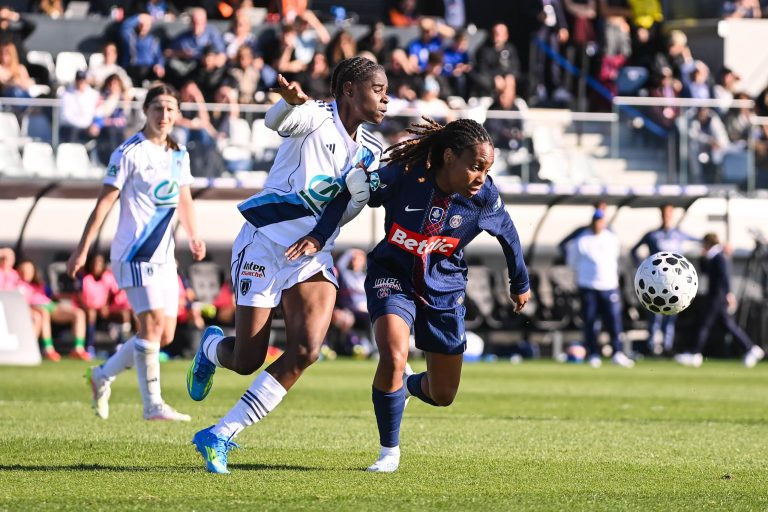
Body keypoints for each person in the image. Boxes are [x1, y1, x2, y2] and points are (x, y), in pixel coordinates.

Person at [287, 117, 531, 473]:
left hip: (445, 288)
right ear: (449, 156)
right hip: (393, 276)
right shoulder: (404, 175)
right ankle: (389, 452)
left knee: (443, 394)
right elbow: (347, 193)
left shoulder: (484, 196)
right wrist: (320, 235)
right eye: (476, 166)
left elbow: (507, 233)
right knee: (394, 354)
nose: (482, 176)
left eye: (487, 168)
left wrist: (519, 282)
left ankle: (405, 386)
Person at [187, 56, 389, 474]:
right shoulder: (314, 116)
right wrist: (289, 103)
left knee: (306, 350)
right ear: (349, 89)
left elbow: (346, 206)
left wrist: (347, 207)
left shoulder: (373, 148)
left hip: (311, 254)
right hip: (263, 244)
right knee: (246, 360)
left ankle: (220, 434)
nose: (386, 98)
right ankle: (209, 347)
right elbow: (276, 122)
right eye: (379, 89)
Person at [66, 82, 206, 422]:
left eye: (171, 108)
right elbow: (103, 205)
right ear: (145, 111)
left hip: (164, 255)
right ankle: (153, 404)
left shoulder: (178, 154)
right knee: (152, 327)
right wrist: (82, 250)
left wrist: (194, 235)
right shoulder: (128, 152)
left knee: (165, 334)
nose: (165, 114)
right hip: (134, 252)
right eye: (158, 107)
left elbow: (183, 198)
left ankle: (102, 375)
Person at [675, 233, 765, 368]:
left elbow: (724, 278)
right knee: (727, 325)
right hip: (716, 297)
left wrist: (728, 294)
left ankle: (694, 353)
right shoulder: (714, 256)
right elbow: (705, 270)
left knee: (704, 324)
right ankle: (750, 348)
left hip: (717, 297)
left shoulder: (719, 257)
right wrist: (702, 257)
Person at [564, 209, 635, 368]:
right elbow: (572, 263)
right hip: (588, 286)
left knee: (614, 321)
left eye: (601, 220)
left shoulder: (611, 239)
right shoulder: (581, 240)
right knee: (590, 321)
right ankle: (593, 354)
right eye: (596, 220)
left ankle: (617, 352)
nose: (598, 224)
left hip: (609, 286)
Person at [630, 204, 699, 355]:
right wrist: (642, 268)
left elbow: (700, 241)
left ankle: (667, 347)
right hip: (655, 283)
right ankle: (652, 347)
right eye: (664, 214)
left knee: (671, 317)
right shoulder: (652, 235)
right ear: (661, 215)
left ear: (672, 215)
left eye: (669, 214)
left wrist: (717, 244)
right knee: (654, 317)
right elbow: (633, 251)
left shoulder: (679, 234)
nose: (666, 216)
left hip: (676, 286)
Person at [16, 258, 89, 361]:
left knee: (78, 313)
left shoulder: (39, 285)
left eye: (29, 270)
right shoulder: (16, 284)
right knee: (43, 312)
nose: (26, 273)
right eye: (24, 270)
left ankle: (78, 349)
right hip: (34, 309)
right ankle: (48, 349)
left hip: (50, 306)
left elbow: (52, 297)